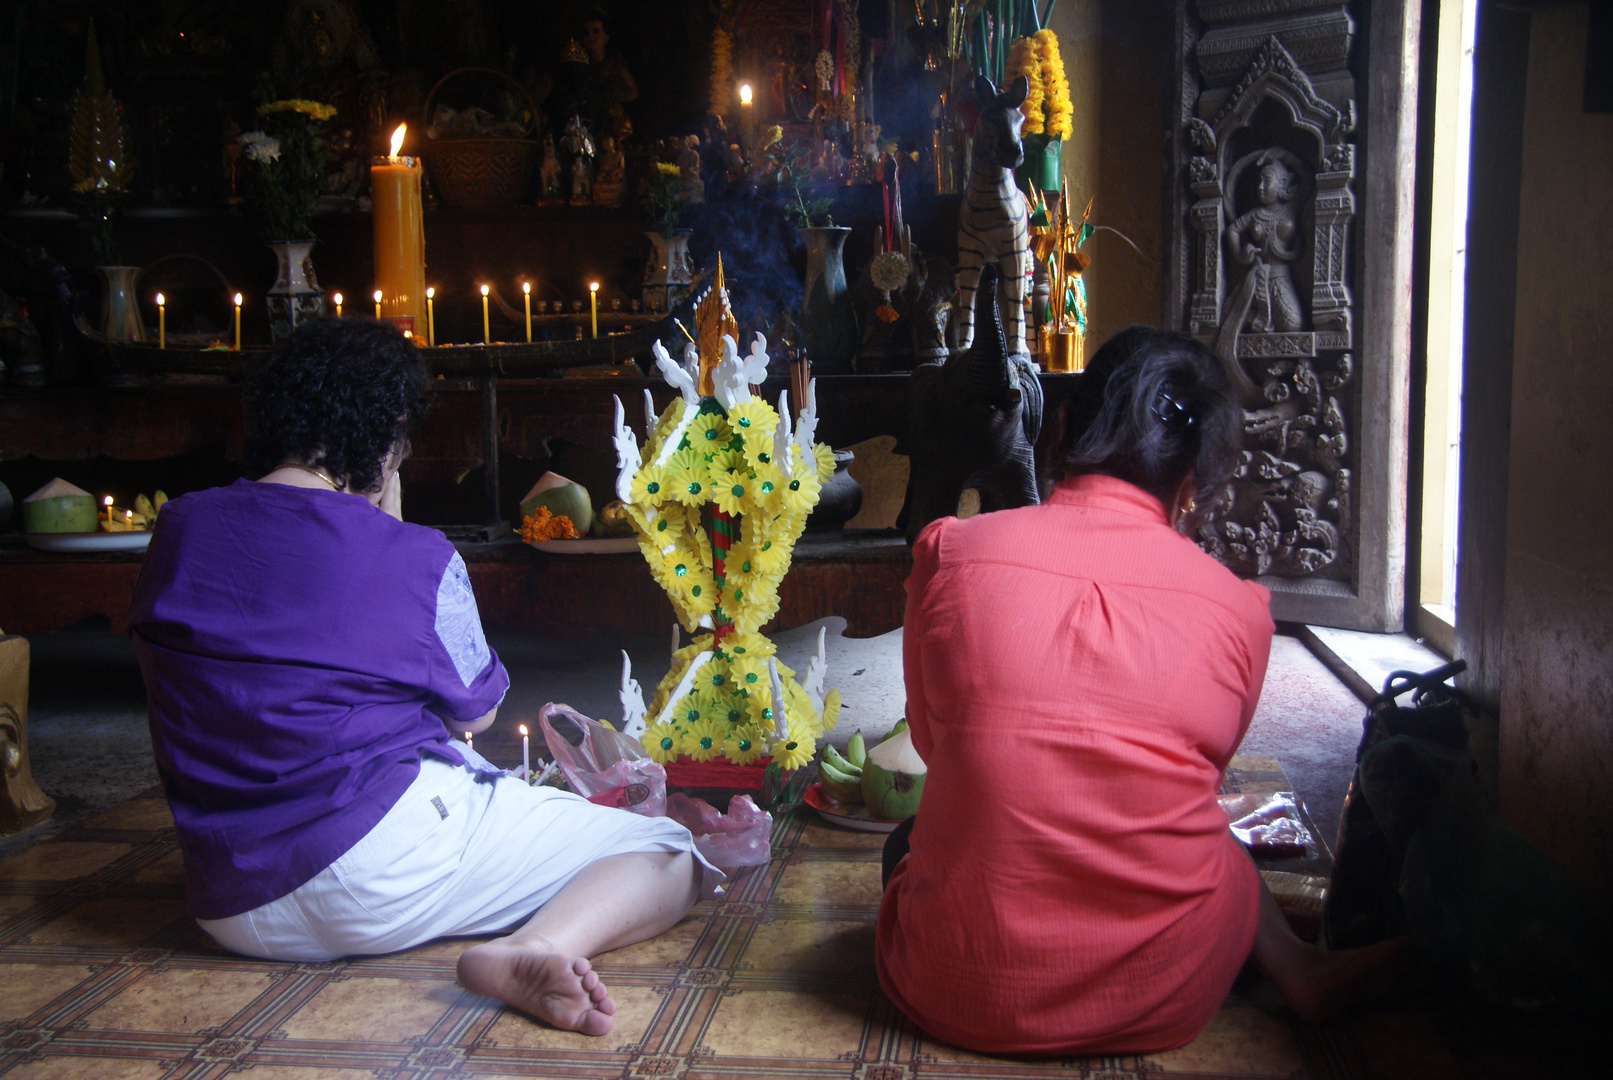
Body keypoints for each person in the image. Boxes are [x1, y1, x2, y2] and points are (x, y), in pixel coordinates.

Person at [129, 319, 717, 1036]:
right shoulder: (412, 555)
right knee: (663, 849)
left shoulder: (179, 529)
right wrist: (395, 528)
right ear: (386, 435)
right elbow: (474, 715)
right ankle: (538, 948)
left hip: (228, 903)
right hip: (376, 873)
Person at [874, 326, 1410, 1056]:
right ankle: (1298, 972)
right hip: (1160, 996)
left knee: (913, 843)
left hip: (946, 987)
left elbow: (935, 745)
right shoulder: (1238, 611)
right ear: (1194, 481)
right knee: (1196, 825)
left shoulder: (950, 552)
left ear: (1060, 426)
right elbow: (1174, 786)